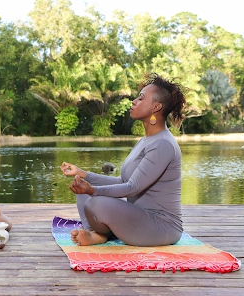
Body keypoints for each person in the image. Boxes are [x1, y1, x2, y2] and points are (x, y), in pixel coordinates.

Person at [60, 73, 186, 247]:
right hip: (139, 217)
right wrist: (83, 174)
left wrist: (93, 190)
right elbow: (123, 181)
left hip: (162, 226)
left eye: (141, 98)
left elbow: (132, 188)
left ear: (156, 107)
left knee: (95, 200)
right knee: (84, 190)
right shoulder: (146, 140)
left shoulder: (163, 144)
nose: (134, 101)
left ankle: (98, 234)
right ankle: (95, 234)